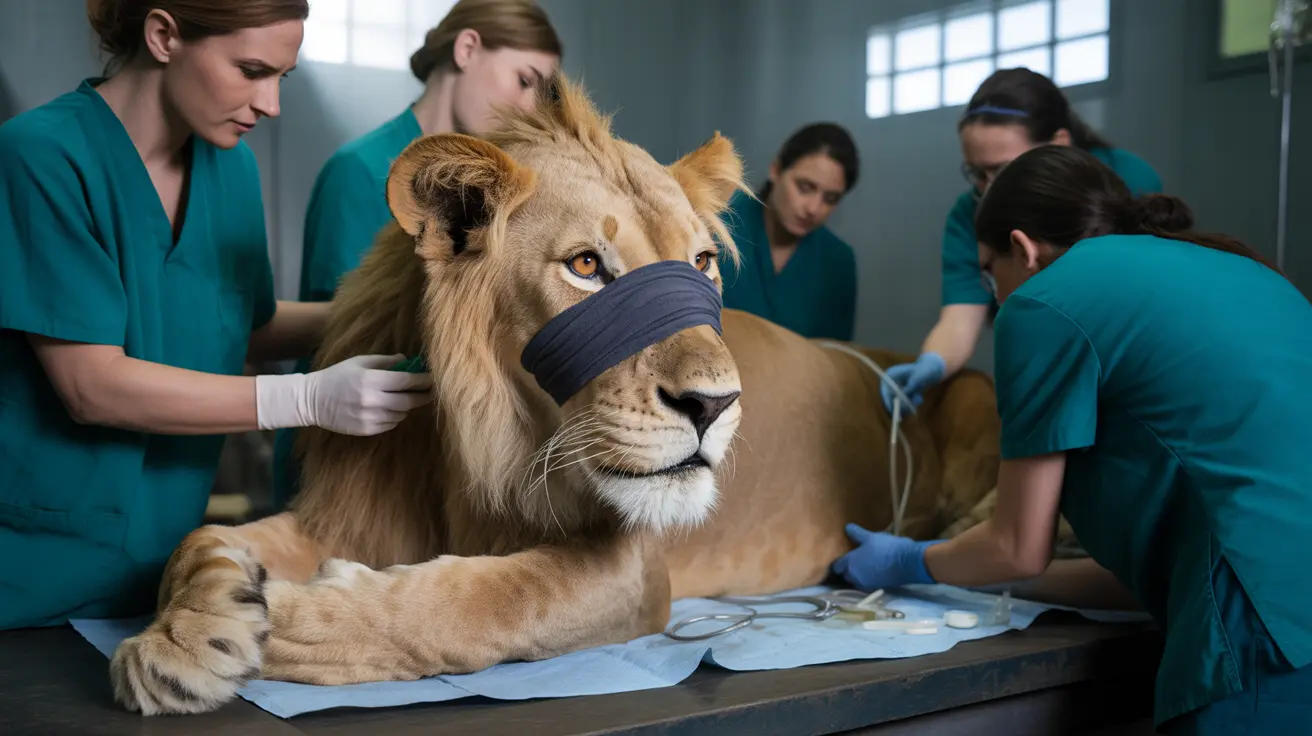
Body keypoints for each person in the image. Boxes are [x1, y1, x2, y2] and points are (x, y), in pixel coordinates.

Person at [834, 144, 1312, 734]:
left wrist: (912, 561)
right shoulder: (1237, 270)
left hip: (1264, 621)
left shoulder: (1043, 300)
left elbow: (1017, 546)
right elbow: (1139, 576)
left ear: (1022, 250)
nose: (995, 295)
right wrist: (977, 573)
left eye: (989, 273)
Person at [0, 0, 434, 631]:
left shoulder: (231, 167)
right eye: (251, 71)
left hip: (161, 570)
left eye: (281, 77)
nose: (271, 104)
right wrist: (306, 398)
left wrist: (409, 314)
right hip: (34, 571)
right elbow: (91, 386)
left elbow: (247, 328)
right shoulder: (42, 157)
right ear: (163, 36)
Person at [271, 0, 563, 508]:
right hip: (350, 461)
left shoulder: (493, 192)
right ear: (467, 49)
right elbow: (349, 333)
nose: (530, 108)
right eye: (524, 80)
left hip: (436, 463)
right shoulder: (357, 171)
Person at [880, 68, 1163, 413]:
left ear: (1058, 144)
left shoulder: (1129, 180)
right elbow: (961, 318)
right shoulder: (967, 216)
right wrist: (932, 364)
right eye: (976, 173)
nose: (989, 189)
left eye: (1003, 170)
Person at [718, 122, 860, 342]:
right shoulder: (718, 221)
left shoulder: (838, 261)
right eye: (804, 187)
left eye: (830, 199)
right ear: (776, 170)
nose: (813, 208)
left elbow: (833, 355)